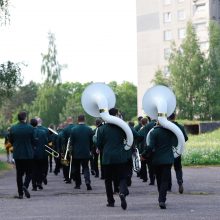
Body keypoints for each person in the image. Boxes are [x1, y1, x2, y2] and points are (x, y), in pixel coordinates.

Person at [96, 108, 130, 210]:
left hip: (107, 158)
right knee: (122, 177)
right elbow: (133, 136)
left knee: (108, 180)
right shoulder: (122, 127)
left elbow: (98, 144)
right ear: (116, 114)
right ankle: (122, 192)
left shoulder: (102, 128)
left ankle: (111, 201)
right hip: (120, 157)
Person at [141, 120, 176, 209]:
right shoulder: (170, 131)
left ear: (157, 123)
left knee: (159, 179)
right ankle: (162, 199)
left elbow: (151, 146)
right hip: (168, 160)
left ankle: (160, 198)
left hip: (156, 160)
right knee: (165, 180)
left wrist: (144, 155)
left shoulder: (154, 132)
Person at [9, 111, 34, 199]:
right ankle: (25, 185)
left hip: (18, 154)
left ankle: (20, 194)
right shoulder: (30, 128)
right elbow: (33, 140)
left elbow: (11, 141)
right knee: (29, 173)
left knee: (19, 174)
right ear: (25, 118)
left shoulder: (13, 128)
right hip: (28, 154)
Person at [70, 114, 93, 190]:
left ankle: (78, 184)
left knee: (77, 169)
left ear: (78, 120)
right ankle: (87, 181)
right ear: (84, 119)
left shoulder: (73, 129)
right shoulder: (89, 129)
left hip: (76, 153)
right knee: (86, 168)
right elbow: (91, 142)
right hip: (86, 152)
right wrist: (90, 150)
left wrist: (71, 152)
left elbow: (71, 143)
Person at [167, 113, 188, 194]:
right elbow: (185, 138)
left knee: (167, 168)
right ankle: (180, 182)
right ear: (175, 117)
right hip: (177, 150)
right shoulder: (180, 127)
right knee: (178, 168)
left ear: (168, 118)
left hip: (167, 151)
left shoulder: (166, 127)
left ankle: (168, 187)